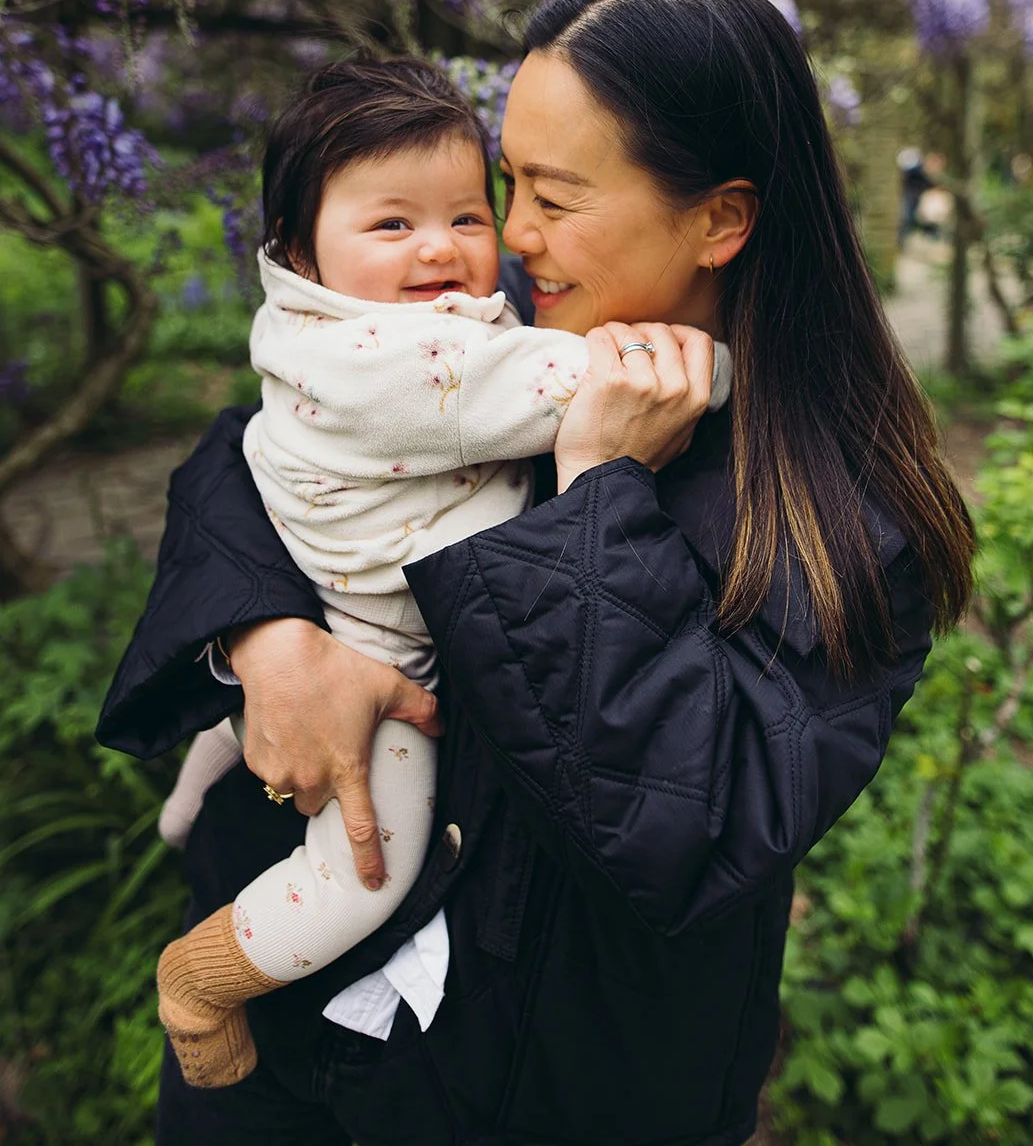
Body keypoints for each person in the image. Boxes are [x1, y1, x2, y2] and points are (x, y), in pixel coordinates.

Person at [98, 0, 975, 1146]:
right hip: (286, 1059)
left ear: (721, 217)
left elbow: (689, 827)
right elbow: (244, 451)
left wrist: (601, 488)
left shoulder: (840, 525)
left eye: (552, 197)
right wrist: (268, 636)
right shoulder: (513, 301)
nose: (505, 236)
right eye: (505, 185)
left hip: (517, 1095)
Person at [153, 52, 732, 1087]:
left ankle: (196, 786)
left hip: (333, 612)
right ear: (298, 247)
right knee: (369, 871)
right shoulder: (420, 363)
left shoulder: (312, 324)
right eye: (393, 224)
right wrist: (720, 365)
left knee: (243, 744)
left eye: (471, 213)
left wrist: (261, 640)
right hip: (380, 670)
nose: (464, 246)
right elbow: (581, 381)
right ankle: (201, 979)